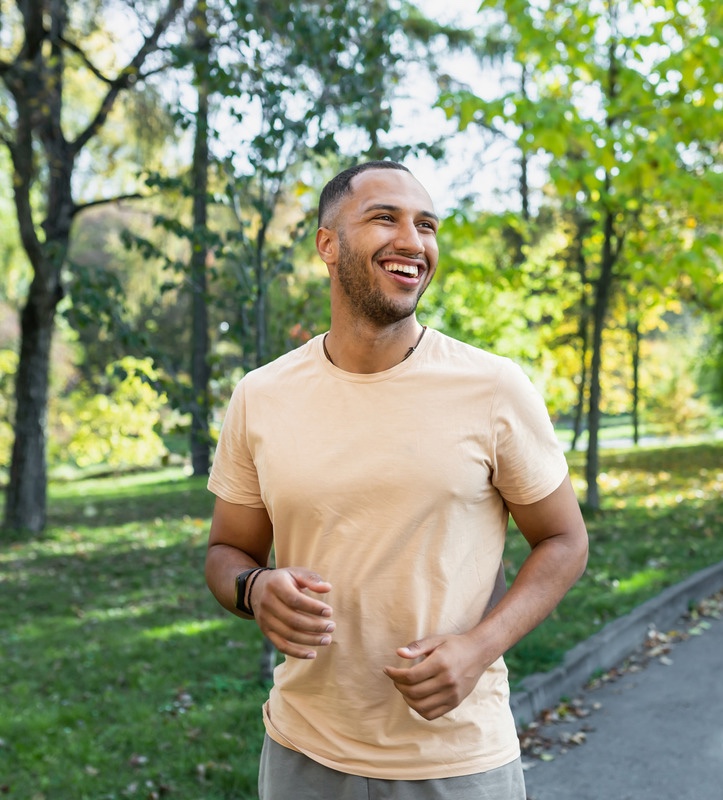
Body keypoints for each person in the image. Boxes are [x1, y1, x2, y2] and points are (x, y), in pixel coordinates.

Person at [205, 160, 589, 800]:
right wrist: (253, 587)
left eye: (427, 225)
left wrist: (477, 648)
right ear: (327, 244)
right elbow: (226, 552)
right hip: (303, 752)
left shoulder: (492, 387)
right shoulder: (261, 395)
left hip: (458, 759)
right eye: (385, 218)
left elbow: (565, 542)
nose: (414, 241)